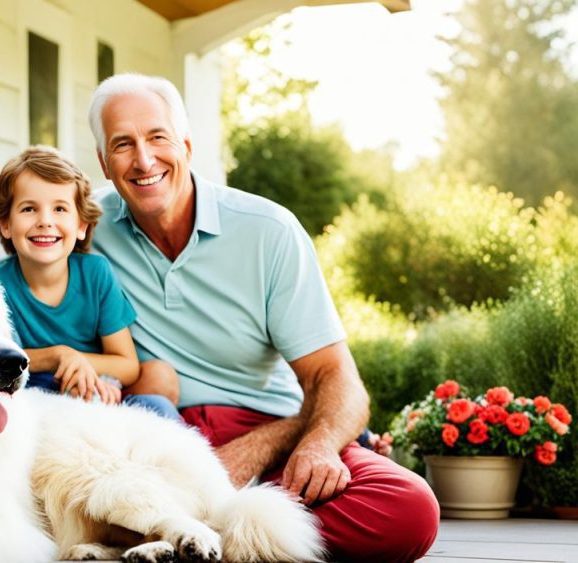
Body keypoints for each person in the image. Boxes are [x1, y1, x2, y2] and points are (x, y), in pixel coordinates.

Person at [86, 73, 439, 562]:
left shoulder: (267, 231)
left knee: (408, 511)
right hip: (153, 439)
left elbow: (336, 377)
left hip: (267, 434)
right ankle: (216, 536)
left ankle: (181, 538)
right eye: (123, 144)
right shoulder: (84, 230)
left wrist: (312, 445)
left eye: (158, 137)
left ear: (187, 144)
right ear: (104, 163)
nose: (144, 160)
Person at [0, 145, 180, 420]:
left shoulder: (96, 273)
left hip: (98, 389)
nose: (45, 221)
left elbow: (128, 365)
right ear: (6, 223)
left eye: (60, 209)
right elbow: (1, 361)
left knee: (160, 400)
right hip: (33, 396)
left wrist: (84, 368)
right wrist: (58, 356)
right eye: (29, 209)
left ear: (82, 226)